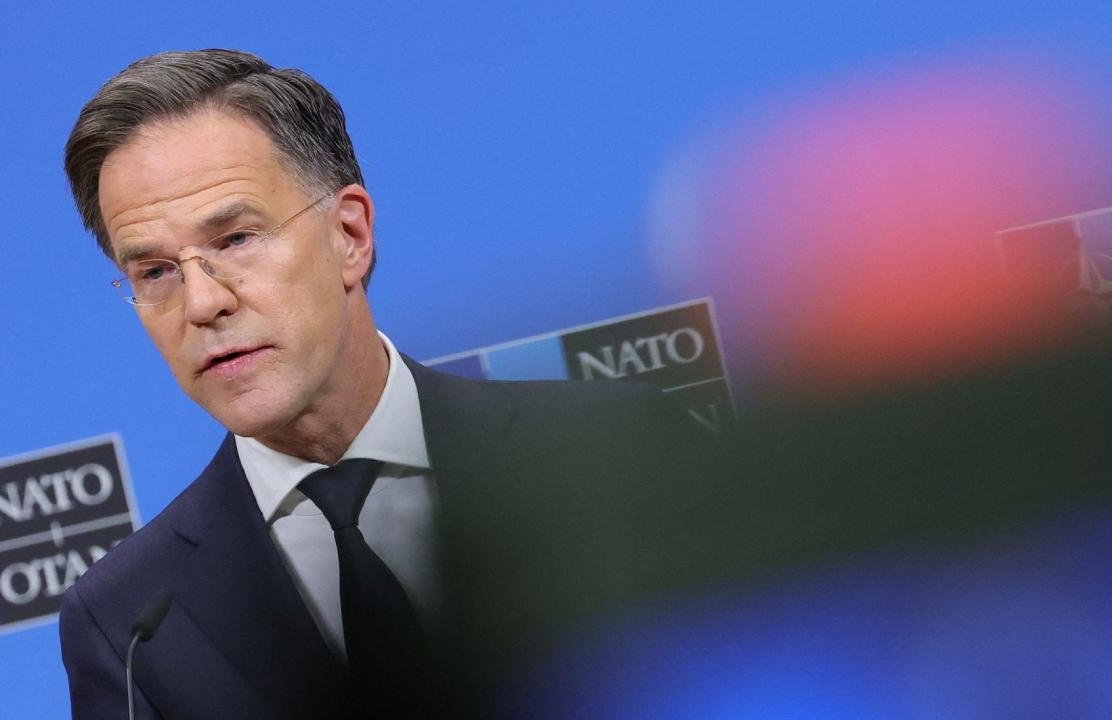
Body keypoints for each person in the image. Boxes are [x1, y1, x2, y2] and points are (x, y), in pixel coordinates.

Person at [57, 49, 697, 720]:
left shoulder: (619, 450)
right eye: (156, 272)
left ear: (350, 234)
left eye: (236, 239)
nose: (201, 303)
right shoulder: (129, 624)